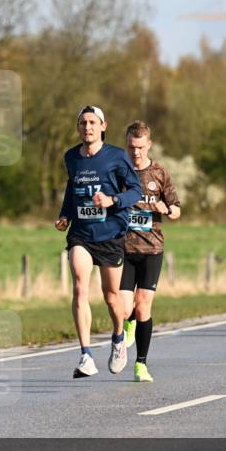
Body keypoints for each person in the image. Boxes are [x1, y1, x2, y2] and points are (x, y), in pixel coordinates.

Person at [55, 105, 142, 377]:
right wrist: (64, 214)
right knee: (80, 287)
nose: (87, 127)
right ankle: (86, 355)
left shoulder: (116, 156)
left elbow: (135, 191)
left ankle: (118, 338)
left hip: (111, 233)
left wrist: (112, 200)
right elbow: (72, 188)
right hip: (81, 234)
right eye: (82, 123)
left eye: (92, 122)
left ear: (103, 126)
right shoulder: (71, 157)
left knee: (111, 297)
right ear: (78, 127)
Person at [118, 121, 181, 382]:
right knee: (122, 309)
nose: (136, 153)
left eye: (141, 147)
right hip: (122, 248)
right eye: (132, 147)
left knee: (144, 306)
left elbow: (177, 209)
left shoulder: (160, 173)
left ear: (149, 145)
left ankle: (141, 365)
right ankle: (128, 320)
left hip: (152, 248)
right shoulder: (118, 172)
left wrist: (166, 209)